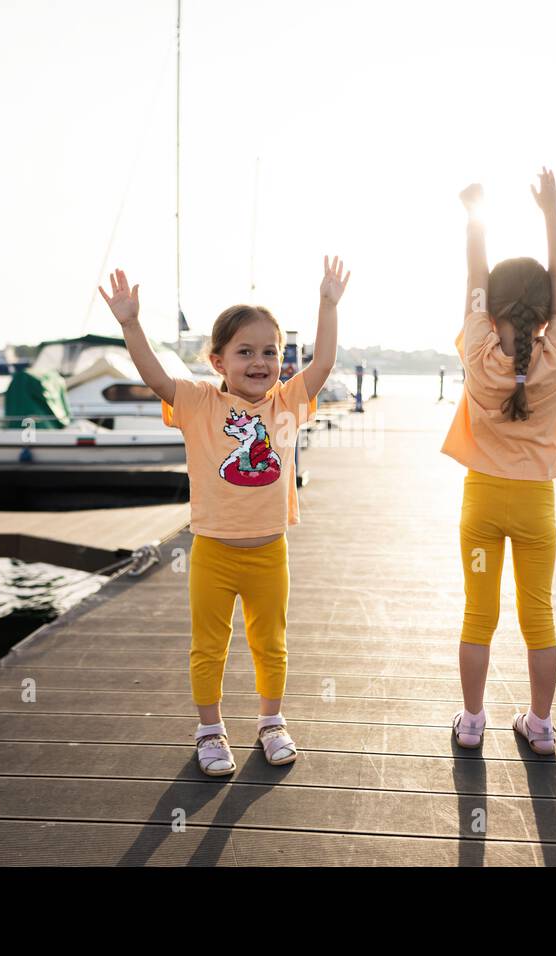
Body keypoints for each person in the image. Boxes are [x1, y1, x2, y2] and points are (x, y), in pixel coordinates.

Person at [100, 258, 349, 775]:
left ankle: (271, 722)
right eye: (245, 352)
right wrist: (130, 324)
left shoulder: (288, 403)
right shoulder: (198, 403)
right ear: (217, 361)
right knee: (208, 646)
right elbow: (154, 376)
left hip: (269, 551)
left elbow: (323, 364)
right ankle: (210, 731)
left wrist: (327, 306)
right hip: (212, 551)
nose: (260, 362)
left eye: (270, 352)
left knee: (270, 643)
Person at [440, 169, 556, 756]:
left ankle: (473, 723)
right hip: (535, 509)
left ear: (491, 308)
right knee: (538, 615)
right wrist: (551, 211)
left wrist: (475, 213)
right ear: (545, 317)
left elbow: (475, 275)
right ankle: (540, 727)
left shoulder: (475, 346)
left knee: (478, 613)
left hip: (481, 504)